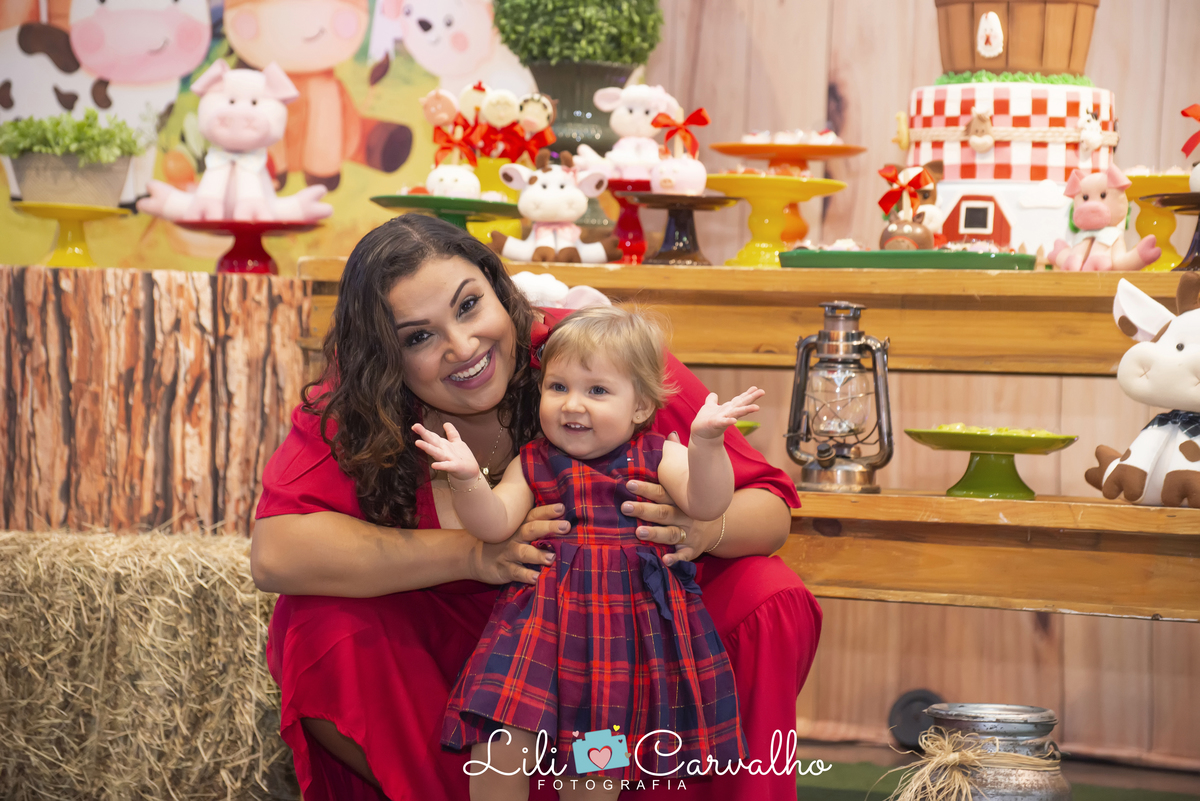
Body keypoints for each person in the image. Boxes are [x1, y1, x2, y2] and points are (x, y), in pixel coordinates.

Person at [251, 214, 823, 801]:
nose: (462, 347)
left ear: (500, 290)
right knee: (320, 624)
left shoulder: (593, 357)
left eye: (469, 305)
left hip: (616, 648)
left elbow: (770, 510)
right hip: (485, 659)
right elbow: (276, 554)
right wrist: (475, 555)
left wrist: (699, 528)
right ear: (382, 359)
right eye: (418, 337)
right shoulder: (360, 404)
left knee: (768, 594)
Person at [415, 306, 765, 798]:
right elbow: (494, 524)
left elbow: (707, 503)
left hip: (617, 638)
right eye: (558, 387)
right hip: (537, 625)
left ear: (640, 406)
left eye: (597, 390)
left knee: (596, 763)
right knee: (499, 737)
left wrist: (706, 445)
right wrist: (469, 480)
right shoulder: (533, 461)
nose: (572, 405)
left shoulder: (658, 454)